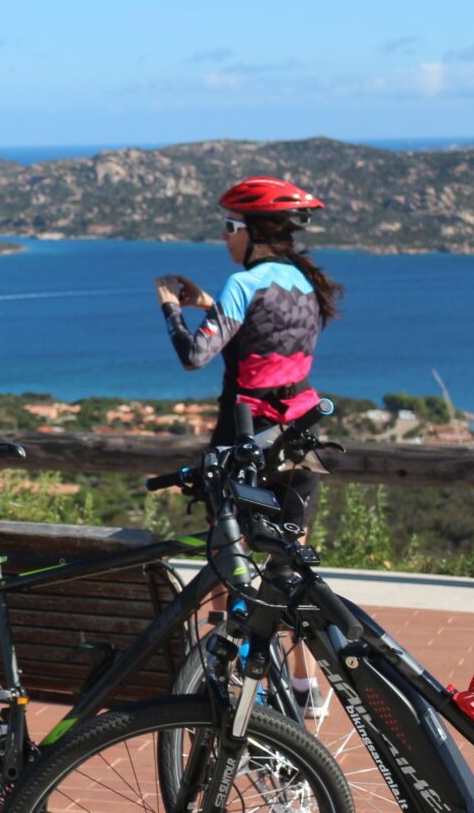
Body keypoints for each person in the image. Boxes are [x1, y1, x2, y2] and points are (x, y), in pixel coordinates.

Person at [154, 175, 342, 714]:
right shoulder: (305, 283)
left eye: (230, 226)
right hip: (300, 436)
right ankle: (307, 692)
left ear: (253, 232)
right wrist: (211, 302)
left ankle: (226, 678)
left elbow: (196, 356)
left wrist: (171, 306)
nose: (224, 237)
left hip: (245, 441)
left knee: (225, 559)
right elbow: (266, 340)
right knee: (290, 565)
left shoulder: (246, 282)